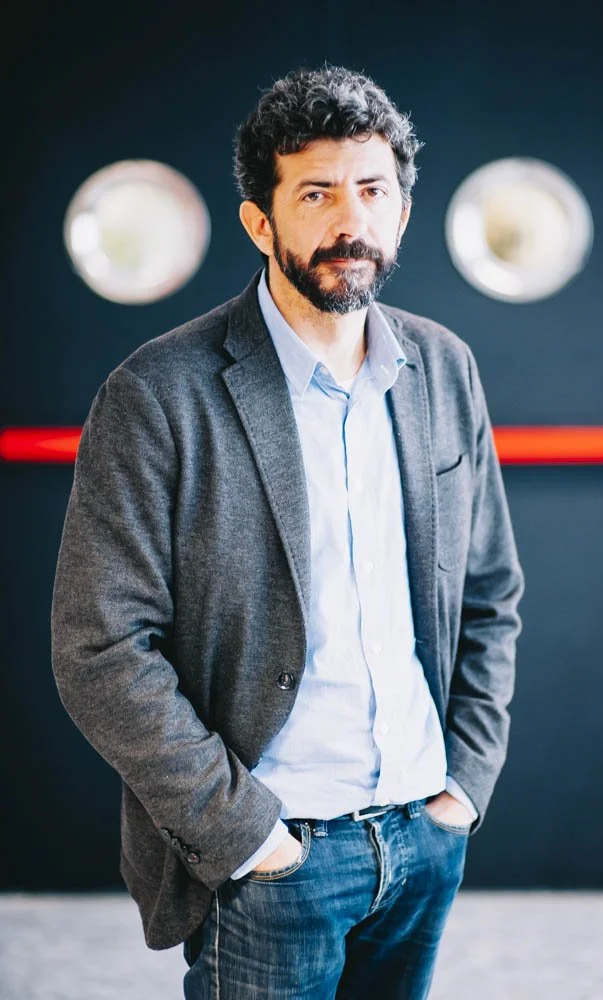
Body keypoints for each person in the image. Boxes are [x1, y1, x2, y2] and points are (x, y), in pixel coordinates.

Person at [51, 64, 525, 999]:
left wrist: (462, 784)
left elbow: (489, 591)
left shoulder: (442, 367)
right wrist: (246, 835)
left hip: (423, 835)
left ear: (401, 210)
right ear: (259, 222)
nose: (350, 220)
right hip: (275, 857)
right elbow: (98, 647)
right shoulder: (158, 393)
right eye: (315, 193)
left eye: (372, 190)